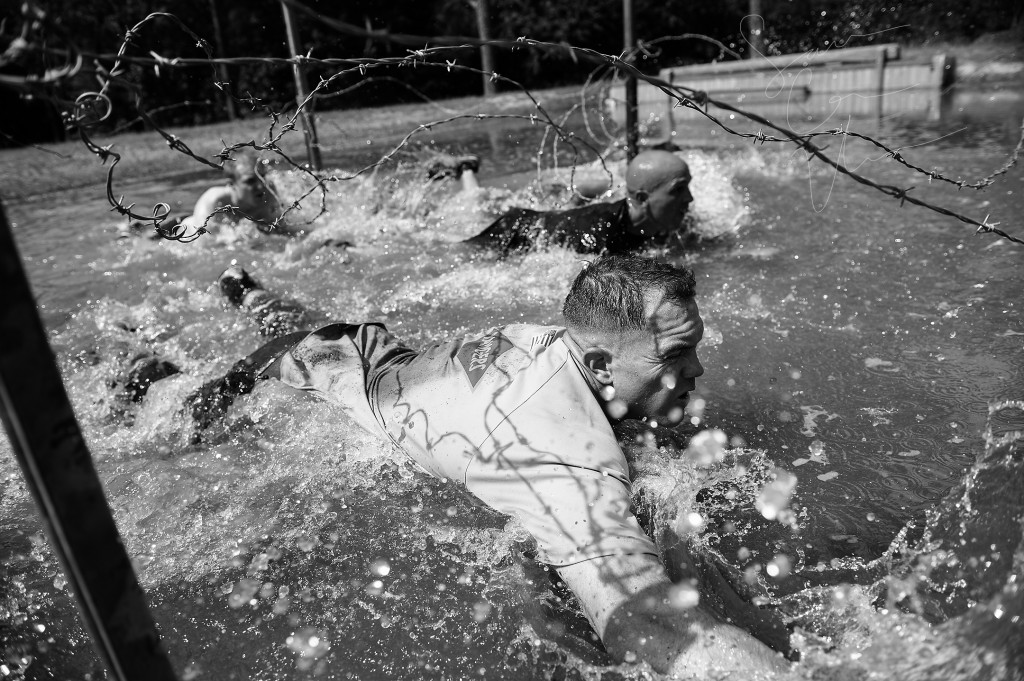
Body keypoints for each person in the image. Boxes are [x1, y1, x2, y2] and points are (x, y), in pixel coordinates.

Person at [180, 255, 792, 677]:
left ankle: (246, 290)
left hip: (366, 348)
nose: (698, 371)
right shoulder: (560, 461)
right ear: (602, 366)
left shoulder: (567, 343)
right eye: (677, 356)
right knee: (186, 398)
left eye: (696, 349)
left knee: (288, 322)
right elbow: (645, 623)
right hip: (296, 376)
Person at [464, 150, 694, 256]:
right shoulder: (598, 235)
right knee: (473, 220)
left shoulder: (672, 223)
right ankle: (466, 169)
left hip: (552, 218)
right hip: (517, 230)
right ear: (643, 199)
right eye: (679, 190)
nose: (690, 199)